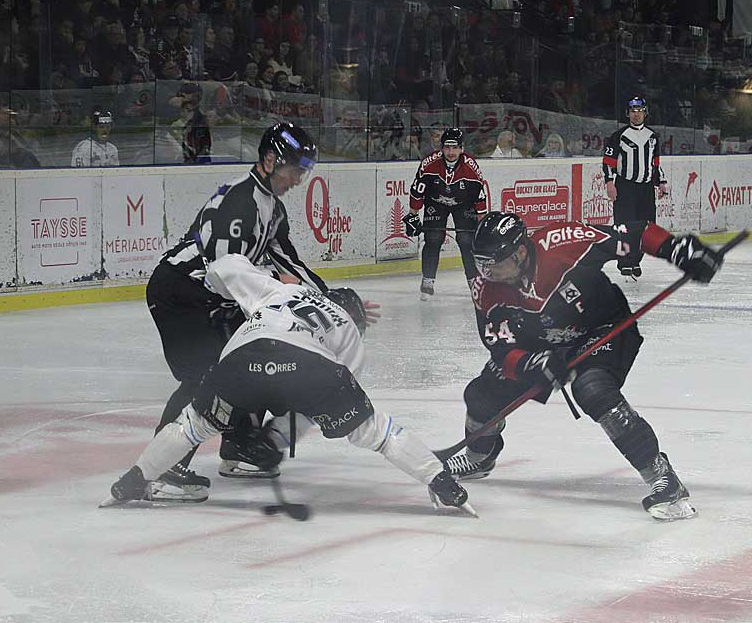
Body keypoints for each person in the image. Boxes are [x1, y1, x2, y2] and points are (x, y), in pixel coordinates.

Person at [103, 254, 474, 515]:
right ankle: (444, 485)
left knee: (193, 426)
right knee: (378, 432)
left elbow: (224, 266)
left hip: (243, 356)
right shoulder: (350, 334)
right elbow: (316, 409)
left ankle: (133, 480)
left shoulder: (284, 292)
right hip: (308, 367)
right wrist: (273, 439)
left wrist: (245, 285)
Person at [447, 211, 724, 520]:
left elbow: (634, 233)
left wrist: (678, 250)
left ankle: (662, 476)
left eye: (494, 264)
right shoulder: (486, 288)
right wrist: (530, 363)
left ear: (520, 252)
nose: (487, 273)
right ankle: (479, 455)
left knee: (592, 389)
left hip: (602, 327)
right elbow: (500, 348)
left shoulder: (562, 243)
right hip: (541, 343)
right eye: (481, 264)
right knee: (481, 395)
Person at [144, 122, 330, 499]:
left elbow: (289, 263)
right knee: (203, 377)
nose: (298, 180)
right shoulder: (240, 202)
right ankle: (160, 469)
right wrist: (275, 289)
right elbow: (224, 270)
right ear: (270, 160)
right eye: (295, 170)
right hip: (180, 293)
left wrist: (329, 301)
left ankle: (239, 446)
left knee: (252, 360)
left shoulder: (272, 209)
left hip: (211, 299)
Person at [404, 127, 489, 298]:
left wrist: (482, 223)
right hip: (435, 202)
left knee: (466, 240)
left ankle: (474, 282)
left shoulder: (471, 167)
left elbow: (479, 198)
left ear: (462, 149)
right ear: (441, 148)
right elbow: (417, 192)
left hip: (464, 204)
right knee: (433, 238)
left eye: (455, 147)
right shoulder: (429, 164)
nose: (451, 152)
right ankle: (428, 280)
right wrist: (413, 215)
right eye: (447, 147)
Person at [603, 95, 668, 278]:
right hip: (625, 187)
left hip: (646, 188)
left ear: (645, 113)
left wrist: (661, 182)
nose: (636, 114)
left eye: (639, 111)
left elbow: (655, 163)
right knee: (624, 225)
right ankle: (624, 261)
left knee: (646, 226)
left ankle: (636, 260)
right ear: (628, 114)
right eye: (633, 111)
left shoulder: (652, 136)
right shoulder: (619, 136)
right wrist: (609, 183)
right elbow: (608, 162)